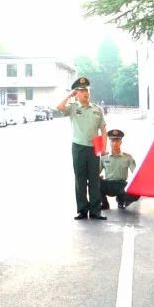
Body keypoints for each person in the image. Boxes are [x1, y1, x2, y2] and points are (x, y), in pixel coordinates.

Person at [57, 77, 107, 221]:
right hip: (78, 147)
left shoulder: (97, 109)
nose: (85, 93)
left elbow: (103, 129)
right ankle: (82, 210)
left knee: (94, 180)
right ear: (77, 93)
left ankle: (96, 211)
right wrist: (69, 95)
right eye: (82, 91)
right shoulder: (73, 108)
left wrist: (104, 147)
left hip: (94, 148)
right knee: (80, 180)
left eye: (87, 90)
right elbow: (59, 107)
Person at [99, 129, 140, 210]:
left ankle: (122, 201)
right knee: (94, 182)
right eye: (112, 141)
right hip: (108, 184)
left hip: (121, 185)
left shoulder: (128, 157)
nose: (115, 143)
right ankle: (104, 203)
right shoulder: (104, 157)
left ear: (121, 142)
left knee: (138, 190)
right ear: (110, 142)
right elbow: (96, 172)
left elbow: (136, 173)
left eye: (117, 141)